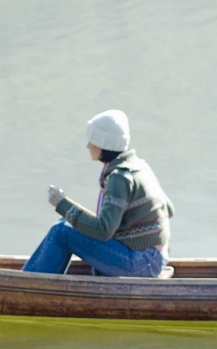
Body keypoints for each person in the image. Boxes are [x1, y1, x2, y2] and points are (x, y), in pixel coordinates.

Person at [22, 109, 175, 277]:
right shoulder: (139, 167)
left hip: (142, 263)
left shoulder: (119, 178)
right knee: (63, 223)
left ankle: (28, 285)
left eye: (92, 140)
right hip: (155, 258)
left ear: (104, 143)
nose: (88, 145)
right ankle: (35, 278)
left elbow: (103, 230)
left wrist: (62, 204)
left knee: (62, 231)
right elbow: (169, 209)